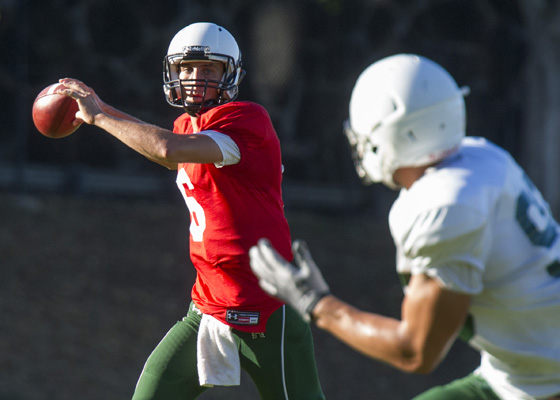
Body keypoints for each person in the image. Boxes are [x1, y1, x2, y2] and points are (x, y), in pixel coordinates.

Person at [249, 54, 560, 400]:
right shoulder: (482, 156)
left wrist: (316, 302)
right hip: (516, 376)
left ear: (390, 134)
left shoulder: (444, 207)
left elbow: (415, 352)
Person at [58, 22, 324, 400]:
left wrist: (101, 117)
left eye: (208, 69)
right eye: (185, 69)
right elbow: (167, 148)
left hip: (266, 307)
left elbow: (169, 150)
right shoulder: (187, 124)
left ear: (230, 75)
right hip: (207, 306)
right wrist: (99, 108)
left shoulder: (246, 120)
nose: (194, 78)